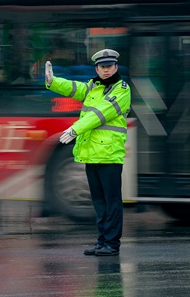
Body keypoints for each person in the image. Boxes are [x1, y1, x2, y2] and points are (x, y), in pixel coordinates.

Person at [45, 49, 131, 256]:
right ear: (97, 69)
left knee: (111, 202)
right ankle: (102, 241)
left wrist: (75, 128)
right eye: (102, 67)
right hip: (92, 153)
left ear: (116, 67)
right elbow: (75, 88)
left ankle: (112, 243)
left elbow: (100, 114)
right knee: (99, 202)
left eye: (110, 66)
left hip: (109, 155)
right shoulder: (94, 86)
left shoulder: (122, 89)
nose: (106, 70)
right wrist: (53, 81)